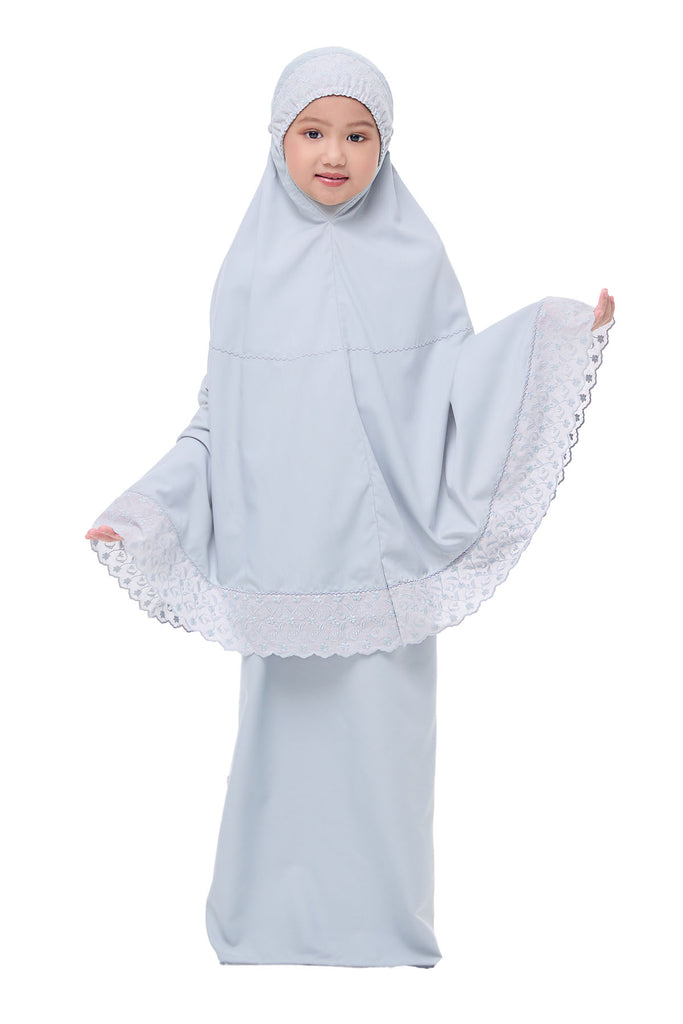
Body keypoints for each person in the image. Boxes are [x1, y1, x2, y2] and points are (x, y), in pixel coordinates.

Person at [85, 46, 615, 968]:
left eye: (358, 135)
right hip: (283, 569)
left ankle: (384, 931)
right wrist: (143, 512)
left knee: (384, 756)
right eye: (313, 132)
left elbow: (456, 385)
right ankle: (262, 926)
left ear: (385, 145)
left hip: (384, 570)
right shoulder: (246, 275)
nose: (335, 153)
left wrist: (556, 335)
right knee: (278, 760)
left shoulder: (415, 257)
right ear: (278, 141)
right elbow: (214, 426)